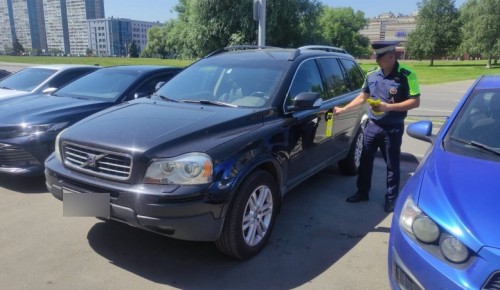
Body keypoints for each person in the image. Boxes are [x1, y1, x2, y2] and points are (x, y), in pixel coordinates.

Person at [333, 41, 420, 213]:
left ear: (391, 55)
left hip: (392, 129)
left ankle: (391, 199)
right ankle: (362, 192)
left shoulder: (407, 75)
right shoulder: (372, 75)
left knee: (392, 165)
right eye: (375, 56)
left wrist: (388, 107)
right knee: (365, 161)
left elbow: (415, 102)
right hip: (372, 126)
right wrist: (344, 109)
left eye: (379, 56)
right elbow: (363, 96)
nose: (376, 59)